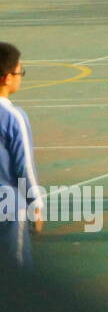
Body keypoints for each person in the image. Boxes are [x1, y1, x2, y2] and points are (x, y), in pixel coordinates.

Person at [0, 43, 41, 267]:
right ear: (7, 77)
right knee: (16, 266)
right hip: (8, 202)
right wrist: (35, 202)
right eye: (19, 72)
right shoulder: (13, 117)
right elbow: (24, 165)